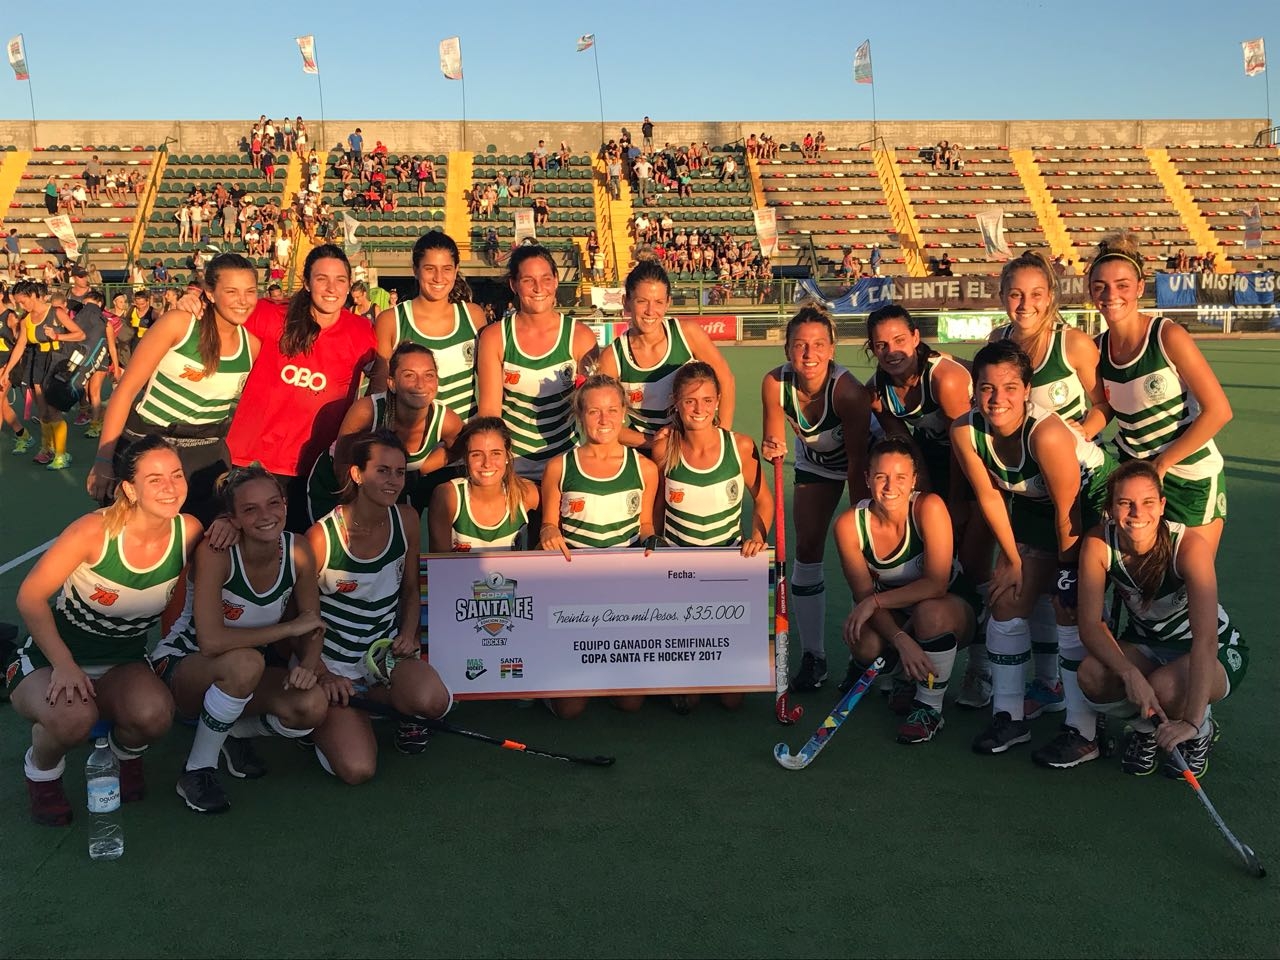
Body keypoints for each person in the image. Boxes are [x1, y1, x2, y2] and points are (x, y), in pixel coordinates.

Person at [6, 436, 201, 825]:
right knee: (72, 719)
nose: (170, 487)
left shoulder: (190, 531)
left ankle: (119, 755)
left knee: (155, 715)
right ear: (130, 489)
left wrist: (229, 525)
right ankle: (42, 772)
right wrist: (64, 664)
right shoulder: (93, 532)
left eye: (177, 475)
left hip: (122, 661)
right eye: (155, 479)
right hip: (53, 658)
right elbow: (30, 597)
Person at [952, 340, 1116, 764]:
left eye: (1010, 387)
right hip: (1034, 505)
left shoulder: (1046, 434)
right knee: (1006, 598)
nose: (997, 398)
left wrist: (1067, 576)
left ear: (1027, 390)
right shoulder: (965, 431)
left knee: (1070, 607)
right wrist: (1014, 559)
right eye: (987, 387)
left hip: (1091, 506)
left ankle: (1083, 729)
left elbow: (1068, 512)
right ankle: (1009, 716)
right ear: (975, 390)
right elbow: (990, 497)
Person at [978, 251, 1110, 732]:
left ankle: (1084, 715)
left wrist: (1082, 433)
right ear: (1002, 296)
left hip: (1078, 489)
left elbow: (1104, 404)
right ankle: (1042, 689)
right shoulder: (997, 343)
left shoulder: (1071, 344)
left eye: (1036, 294)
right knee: (1017, 591)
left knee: (1068, 596)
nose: (1025, 304)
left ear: (1051, 296)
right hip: (1026, 490)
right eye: (1015, 294)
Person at [152, 466, 328, 813]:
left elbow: (312, 624)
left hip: (244, 672)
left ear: (285, 504)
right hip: (182, 666)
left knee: (312, 706)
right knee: (247, 662)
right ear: (232, 518)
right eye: (250, 509)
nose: (266, 515)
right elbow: (211, 642)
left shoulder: (298, 549)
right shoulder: (217, 551)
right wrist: (287, 629)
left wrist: (308, 664)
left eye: (273, 503)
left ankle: (230, 732)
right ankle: (197, 769)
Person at [1076, 461, 1247, 778]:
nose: (1137, 513)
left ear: (1162, 505)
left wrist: (1192, 722)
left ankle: (1201, 729)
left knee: (1164, 688)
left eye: (1148, 502)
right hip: (1147, 645)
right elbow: (1089, 625)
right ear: (1110, 508)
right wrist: (1129, 674)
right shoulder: (1099, 543)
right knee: (1092, 674)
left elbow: (1206, 639)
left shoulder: (1189, 546)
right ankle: (1147, 728)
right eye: (1125, 503)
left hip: (1214, 649)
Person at [307, 431, 452, 783]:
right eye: (382, 471)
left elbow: (411, 589)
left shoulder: (406, 519)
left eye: (399, 472)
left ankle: (381, 707)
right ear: (357, 474)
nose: (393, 481)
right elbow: (300, 619)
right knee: (358, 770)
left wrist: (408, 633)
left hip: (383, 659)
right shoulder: (322, 538)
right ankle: (319, 722)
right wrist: (323, 674)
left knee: (434, 702)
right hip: (333, 665)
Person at [87, 254, 259, 524]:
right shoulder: (179, 324)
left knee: (197, 543)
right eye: (231, 291)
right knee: (132, 537)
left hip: (205, 461)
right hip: (147, 448)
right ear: (210, 293)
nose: (243, 300)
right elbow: (125, 391)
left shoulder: (251, 346)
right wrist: (103, 459)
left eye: (250, 291)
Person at [1091, 232, 1232, 556]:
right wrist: (1080, 431)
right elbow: (1104, 407)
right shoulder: (1097, 348)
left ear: (1140, 287)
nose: (1111, 295)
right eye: (1100, 286)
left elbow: (1219, 411)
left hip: (1189, 476)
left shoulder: (1166, 336)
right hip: (1136, 480)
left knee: (1188, 574)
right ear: (1091, 291)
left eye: (1123, 285)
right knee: (1139, 575)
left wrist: (1162, 464)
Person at [222, 244, 378, 532]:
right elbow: (220, 317)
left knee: (303, 551)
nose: (331, 288)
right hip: (252, 461)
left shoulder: (361, 332)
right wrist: (193, 303)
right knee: (241, 549)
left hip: (314, 470)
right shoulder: (270, 314)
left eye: (340, 280)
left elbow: (380, 380)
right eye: (321, 279)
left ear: (349, 285)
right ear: (306, 283)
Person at [761, 305, 873, 692]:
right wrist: (771, 447)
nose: (809, 354)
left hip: (863, 465)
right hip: (815, 462)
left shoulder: (849, 393)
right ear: (787, 350)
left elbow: (857, 462)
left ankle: (865, 656)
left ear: (832, 349)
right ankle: (814, 657)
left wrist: (860, 517)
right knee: (807, 548)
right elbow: (775, 443)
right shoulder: (775, 383)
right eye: (800, 345)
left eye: (819, 345)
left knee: (864, 557)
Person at [836, 437, 975, 743]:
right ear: (867, 479)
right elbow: (863, 596)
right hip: (896, 613)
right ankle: (902, 676)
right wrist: (900, 639)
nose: (890, 487)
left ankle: (929, 708)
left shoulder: (929, 507)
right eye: (881, 476)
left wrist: (875, 602)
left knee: (930, 613)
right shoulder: (849, 525)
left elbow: (936, 584)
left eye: (901, 477)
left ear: (914, 480)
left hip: (950, 610)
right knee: (863, 641)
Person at [650, 362, 771, 713]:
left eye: (706, 400)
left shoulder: (740, 447)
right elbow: (657, 509)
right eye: (690, 401)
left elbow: (763, 499)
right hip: (678, 574)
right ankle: (681, 671)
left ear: (718, 401)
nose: (699, 409)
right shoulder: (665, 449)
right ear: (675, 402)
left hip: (725, 571)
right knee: (687, 700)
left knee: (732, 700)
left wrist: (757, 535)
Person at [538, 374, 658, 718]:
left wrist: (652, 543)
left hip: (623, 593)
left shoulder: (645, 468)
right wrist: (548, 532)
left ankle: (608, 671)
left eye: (612, 410)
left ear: (624, 412)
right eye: (594, 411)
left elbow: (645, 524)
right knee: (570, 711)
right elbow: (548, 524)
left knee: (630, 704)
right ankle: (549, 682)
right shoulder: (560, 466)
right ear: (580, 414)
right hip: (574, 593)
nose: (604, 419)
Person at [475, 245, 598, 485]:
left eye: (546, 279)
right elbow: (490, 413)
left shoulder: (580, 336)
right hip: (513, 465)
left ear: (556, 280)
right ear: (513, 285)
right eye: (528, 280)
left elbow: (593, 409)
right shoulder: (495, 337)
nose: (539, 288)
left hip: (565, 463)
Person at [307, 342, 461, 520]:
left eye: (429, 375)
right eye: (409, 375)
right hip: (339, 484)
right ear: (392, 383)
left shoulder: (446, 420)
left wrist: (419, 469)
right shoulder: (367, 411)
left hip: (388, 486)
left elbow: (459, 448)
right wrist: (364, 512)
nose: (420, 384)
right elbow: (342, 464)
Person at [597, 261, 736, 449]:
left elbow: (725, 380)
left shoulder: (687, 334)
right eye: (641, 301)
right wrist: (655, 443)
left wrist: (722, 438)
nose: (650, 311)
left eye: (658, 302)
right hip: (645, 451)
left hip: (694, 446)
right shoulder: (612, 357)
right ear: (626, 302)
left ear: (668, 303)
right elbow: (606, 424)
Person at [369, 231, 487, 419]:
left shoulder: (473, 316)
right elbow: (378, 394)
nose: (438, 278)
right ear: (415, 270)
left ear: (456, 269)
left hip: (465, 434)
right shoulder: (391, 320)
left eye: (447, 269)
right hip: (412, 436)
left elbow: (490, 384)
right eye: (430, 269)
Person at [0, 279, 86, 470]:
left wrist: (57, 336)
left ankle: (62, 455)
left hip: (56, 359)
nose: (21, 306)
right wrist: (6, 372)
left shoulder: (56, 312)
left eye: (23, 302)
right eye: (18, 303)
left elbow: (80, 334)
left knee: (53, 409)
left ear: (33, 295)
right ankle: (47, 448)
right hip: (37, 360)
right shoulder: (25, 320)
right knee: (43, 411)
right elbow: (20, 345)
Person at [428, 416, 540, 552]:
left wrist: (549, 528)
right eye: (476, 454)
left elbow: (557, 515)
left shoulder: (525, 492)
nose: (487, 463)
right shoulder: (448, 496)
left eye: (495, 453)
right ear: (465, 458)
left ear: (507, 456)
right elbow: (439, 561)